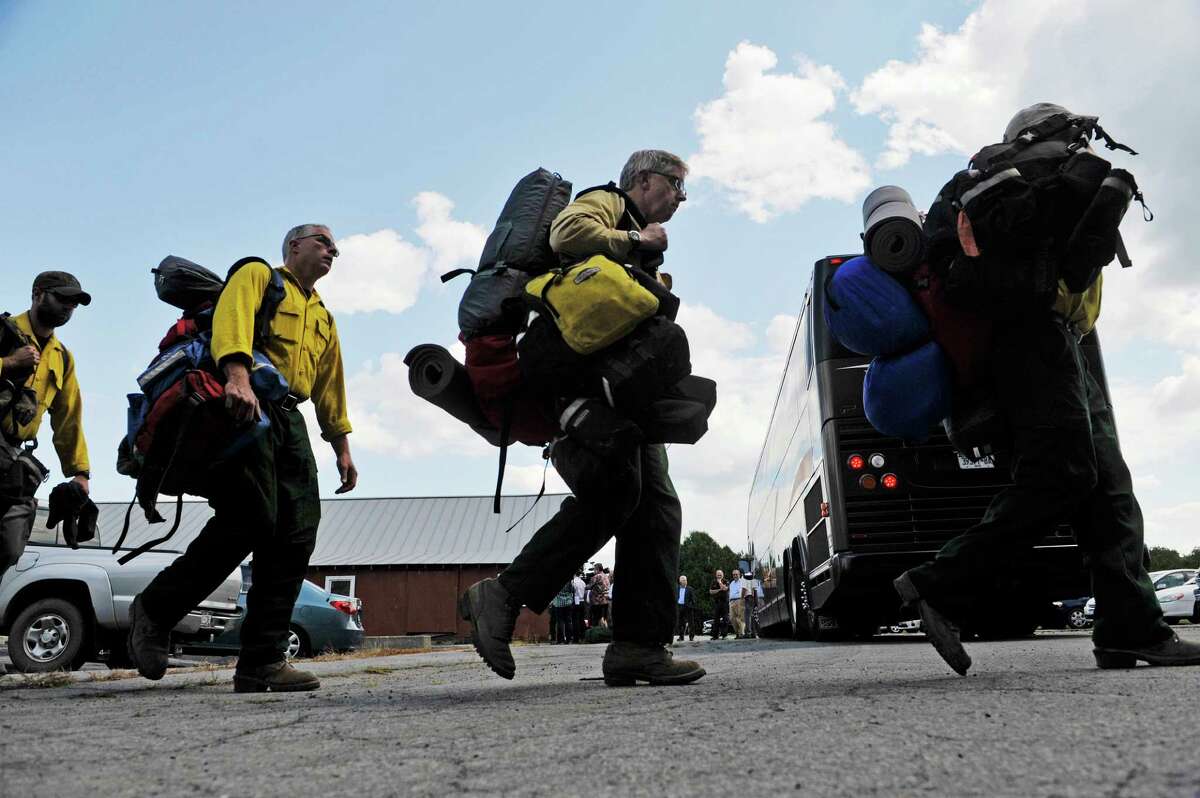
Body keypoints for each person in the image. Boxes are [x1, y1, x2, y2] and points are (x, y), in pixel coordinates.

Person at [894, 104, 1200, 675]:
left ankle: (1130, 631)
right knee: (1063, 474)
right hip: (1029, 338)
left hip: (1062, 341)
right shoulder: (1025, 185)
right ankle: (940, 583)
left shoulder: (1018, 188)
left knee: (1110, 491)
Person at [459, 149, 705, 686]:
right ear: (643, 179)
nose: (681, 198)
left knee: (652, 506)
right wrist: (638, 240)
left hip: (608, 392)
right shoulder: (608, 204)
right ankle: (502, 597)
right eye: (676, 185)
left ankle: (639, 647)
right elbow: (568, 234)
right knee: (622, 494)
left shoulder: (631, 232)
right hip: (574, 389)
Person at [128, 224, 358, 692]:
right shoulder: (258, 275)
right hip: (246, 406)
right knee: (251, 519)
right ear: (295, 246)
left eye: (335, 246)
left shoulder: (324, 316)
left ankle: (261, 662)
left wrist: (342, 446)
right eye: (323, 242)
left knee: (296, 534)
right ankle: (155, 610)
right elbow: (233, 321)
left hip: (290, 420)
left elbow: (331, 383)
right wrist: (238, 376)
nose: (333, 250)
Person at [0, 272, 93, 576]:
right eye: (62, 298)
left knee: (9, 547)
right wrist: (9, 364)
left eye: (74, 303)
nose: (69, 307)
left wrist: (80, 472)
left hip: (13, 460)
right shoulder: (4, 331)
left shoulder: (62, 357)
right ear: (38, 293)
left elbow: (69, 417)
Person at [675, 575, 697, 641]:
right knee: (680, 623)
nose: (685, 581)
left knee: (691, 623)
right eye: (683, 580)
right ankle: (681, 637)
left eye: (686, 580)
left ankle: (691, 637)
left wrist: (689, 606)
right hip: (679, 607)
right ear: (680, 581)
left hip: (688, 608)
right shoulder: (677, 588)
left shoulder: (690, 589)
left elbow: (693, 600)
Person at [587, 565, 610, 629]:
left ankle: (596, 633)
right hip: (605, 601)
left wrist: (585, 586)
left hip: (597, 602)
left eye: (594, 569)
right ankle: (604, 632)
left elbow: (589, 586)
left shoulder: (597, 576)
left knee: (596, 619)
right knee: (604, 619)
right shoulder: (606, 576)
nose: (594, 571)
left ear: (597, 569)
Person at [709, 569, 729, 640]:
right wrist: (719, 590)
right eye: (718, 575)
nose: (719, 576)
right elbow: (711, 592)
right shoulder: (713, 582)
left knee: (725, 619)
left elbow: (725, 589)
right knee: (716, 619)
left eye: (720, 575)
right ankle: (715, 635)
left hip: (724, 602)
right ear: (716, 575)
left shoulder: (726, 581)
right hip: (717, 602)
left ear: (723, 575)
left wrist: (720, 582)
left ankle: (724, 635)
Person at [727, 568, 746, 638]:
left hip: (739, 600)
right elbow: (730, 593)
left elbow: (742, 592)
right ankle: (737, 633)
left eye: (736, 574)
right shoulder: (731, 583)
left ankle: (741, 634)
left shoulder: (742, 582)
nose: (735, 576)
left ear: (739, 574)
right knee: (732, 618)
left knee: (740, 618)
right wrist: (729, 601)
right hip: (731, 602)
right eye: (733, 574)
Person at [571, 571, 587, 643]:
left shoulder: (573, 581)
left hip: (576, 601)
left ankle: (576, 638)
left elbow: (572, 591)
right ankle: (583, 637)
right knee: (581, 620)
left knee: (575, 621)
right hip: (582, 601)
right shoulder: (583, 582)